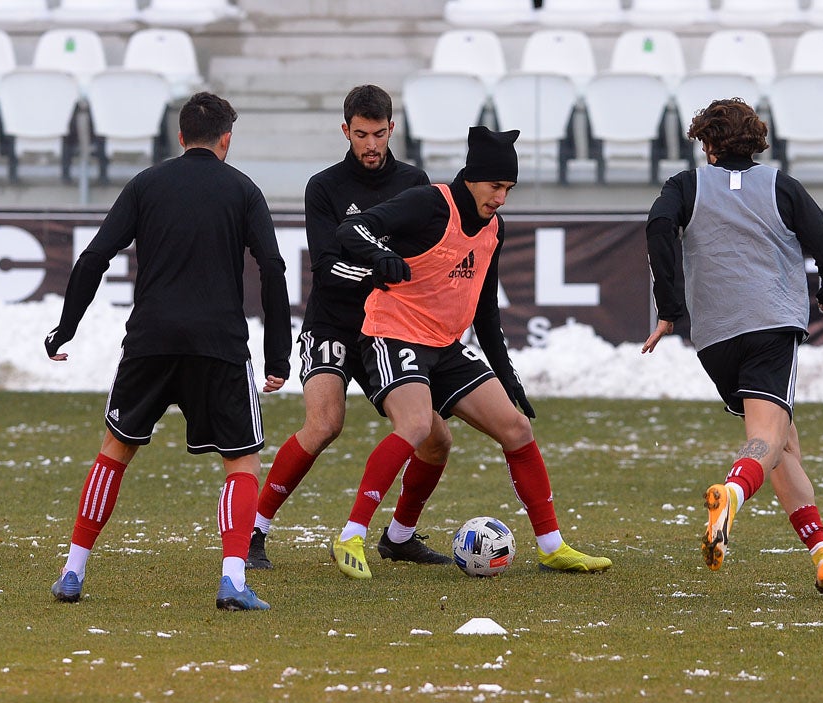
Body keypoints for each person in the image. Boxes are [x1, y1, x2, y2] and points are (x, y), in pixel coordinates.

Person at [328, 125, 613, 579]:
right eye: (496, 186)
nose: (502, 197)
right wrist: (380, 254)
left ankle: (551, 547)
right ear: (472, 178)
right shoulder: (429, 202)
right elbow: (352, 228)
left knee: (515, 429)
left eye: (509, 189)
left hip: (444, 344)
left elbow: (485, 312)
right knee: (419, 425)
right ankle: (351, 535)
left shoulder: (494, 229)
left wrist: (507, 374)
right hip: (393, 332)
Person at [44, 92, 291, 611]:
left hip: (149, 342)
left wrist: (65, 329)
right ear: (227, 138)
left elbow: (94, 257)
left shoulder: (146, 184)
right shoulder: (244, 190)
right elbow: (272, 267)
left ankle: (72, 571)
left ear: (180, 137)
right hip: (218, 345)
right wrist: (276, 357)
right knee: (241, 462)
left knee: (114, 453)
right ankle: (232, 580)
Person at [640, 98, 823, 593]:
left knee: (783, 446)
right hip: (772, 325)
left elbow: (656, 227)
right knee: (766, 440)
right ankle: (731, 493)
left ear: (706, 143)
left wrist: (669, 307)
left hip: (714, 337)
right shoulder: (781, 185)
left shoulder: (684, 185)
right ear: (755, 140)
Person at [247, 85, 454, 571]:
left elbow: (421, 260)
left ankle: (399, 536)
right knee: (324, 424)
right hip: (334, 323)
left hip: (391, 329)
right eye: (361, 135)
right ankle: (255, 529)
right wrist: (382, 272)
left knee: (435, 438)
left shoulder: (416, 181)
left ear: (392, 129)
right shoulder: (323, 187)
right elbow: (325, 265)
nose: (371, 145)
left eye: (379, 134)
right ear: (346, 131)